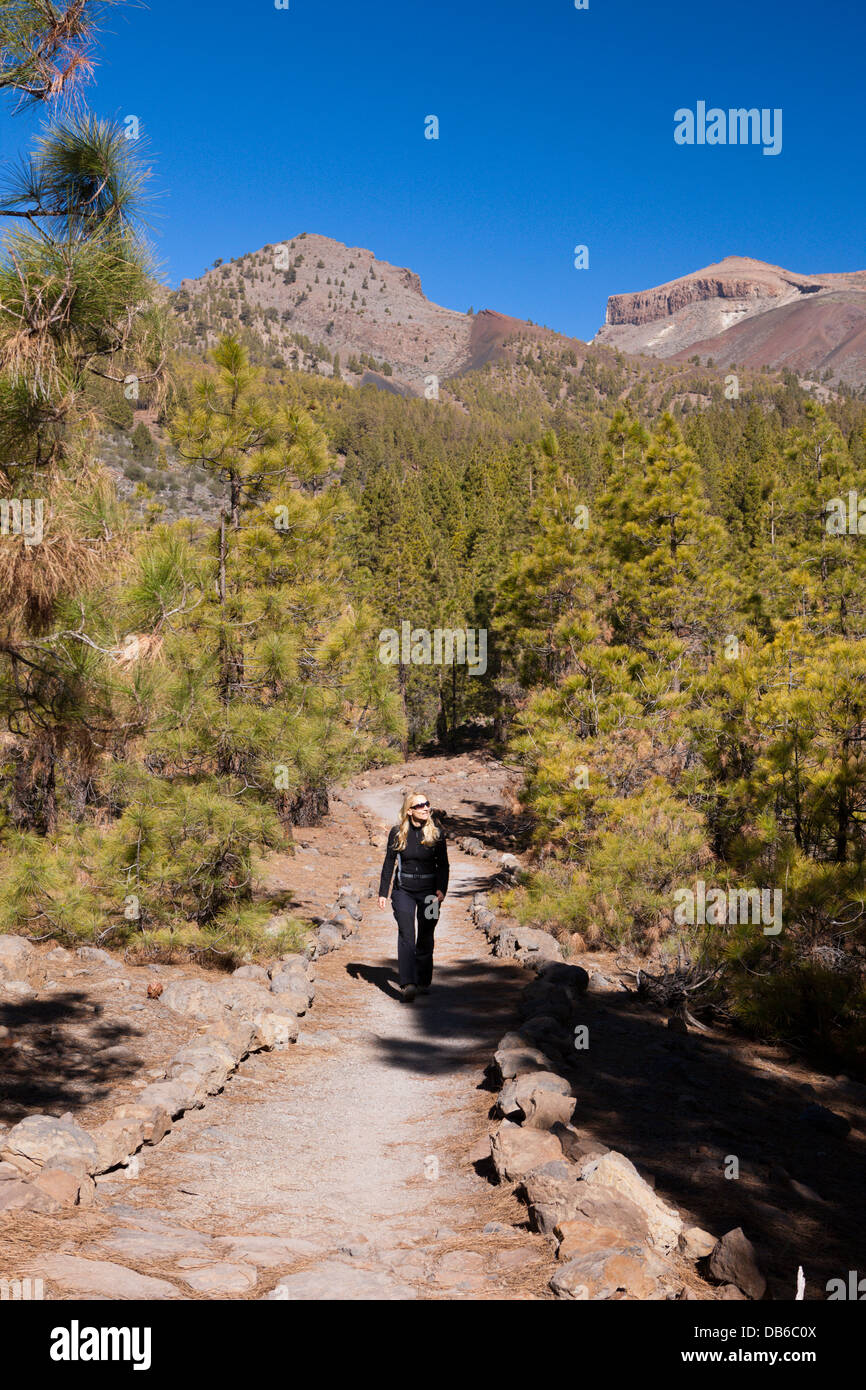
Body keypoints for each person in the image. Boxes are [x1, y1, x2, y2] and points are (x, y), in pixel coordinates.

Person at [378, 789, 449, 1001]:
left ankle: (424, 980)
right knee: (407, 935)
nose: (425, 807)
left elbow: (443, 865)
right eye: (419, 805)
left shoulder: (436, 833)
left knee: (426, 936)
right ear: (409, 811)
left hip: (430, 893)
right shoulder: (397, 833)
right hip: (404, 892)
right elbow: (389, 862)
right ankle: (408, 983)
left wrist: (441, 889)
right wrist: (383, 892)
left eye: (427, 804)